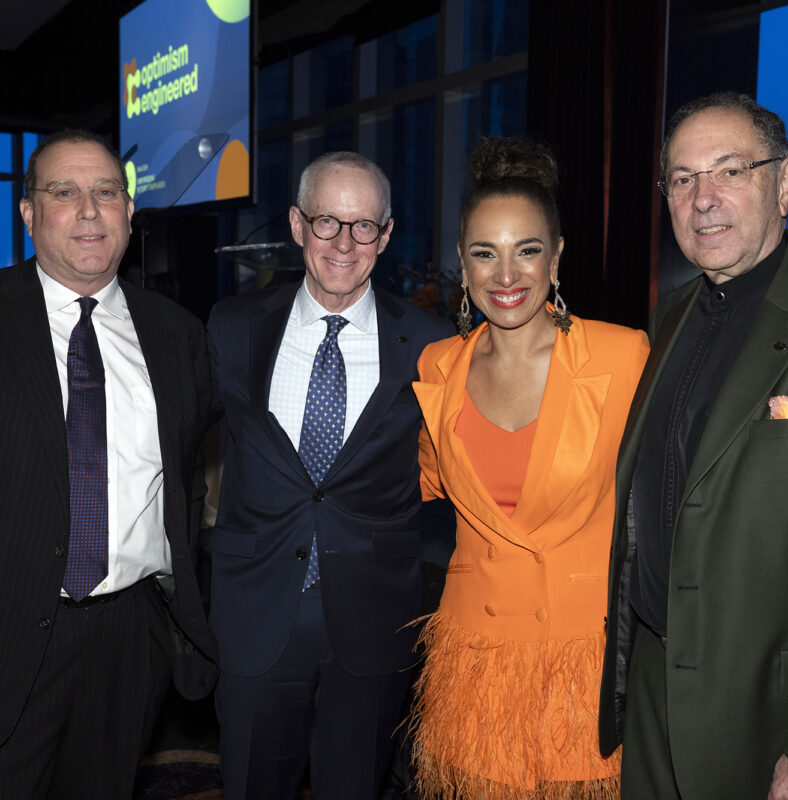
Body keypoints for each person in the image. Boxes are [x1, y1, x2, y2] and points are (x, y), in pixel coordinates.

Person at [409, 136, 649, 799]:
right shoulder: (438, 367)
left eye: (527, 250)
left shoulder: (623, 357)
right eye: (485, 253)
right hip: (476, 663)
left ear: (558, 256)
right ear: (461, 262)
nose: (505, 275)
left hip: (587, 663)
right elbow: (424, 480)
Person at [207, 150, 453, 799]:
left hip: (371, 628)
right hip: (256, 618)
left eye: (363, 225)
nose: (344, 243)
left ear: (387, 234)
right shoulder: (231, 328)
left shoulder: (431, 346)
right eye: (327, 222)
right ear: (296, 225)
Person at [0, 129, 217, 799]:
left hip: (130, 635)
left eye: (106, 192)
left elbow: (190, 475)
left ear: (129, 212)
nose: (89, 210)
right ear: (30, 213)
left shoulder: (178, 333)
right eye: (64, 192)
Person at [598, 92, 788, 799]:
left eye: (729, 171)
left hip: (763, 714)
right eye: (682, 179)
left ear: (784, 182)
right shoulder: (675, 311)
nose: (703, 199)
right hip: (654, 677)